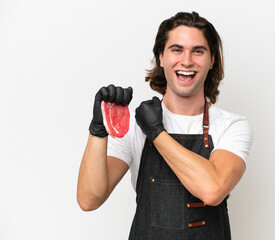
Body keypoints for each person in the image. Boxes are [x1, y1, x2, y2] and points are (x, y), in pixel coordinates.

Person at [77, 11, 252, 240]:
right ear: (161, 57)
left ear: (212, 61)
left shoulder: (232, 126)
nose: (187, 61)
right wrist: (98, 131)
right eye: (176, 49)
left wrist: (156, 133)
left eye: (198, 51)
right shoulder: (133, 126)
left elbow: (213, 190)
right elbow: (89, 199)